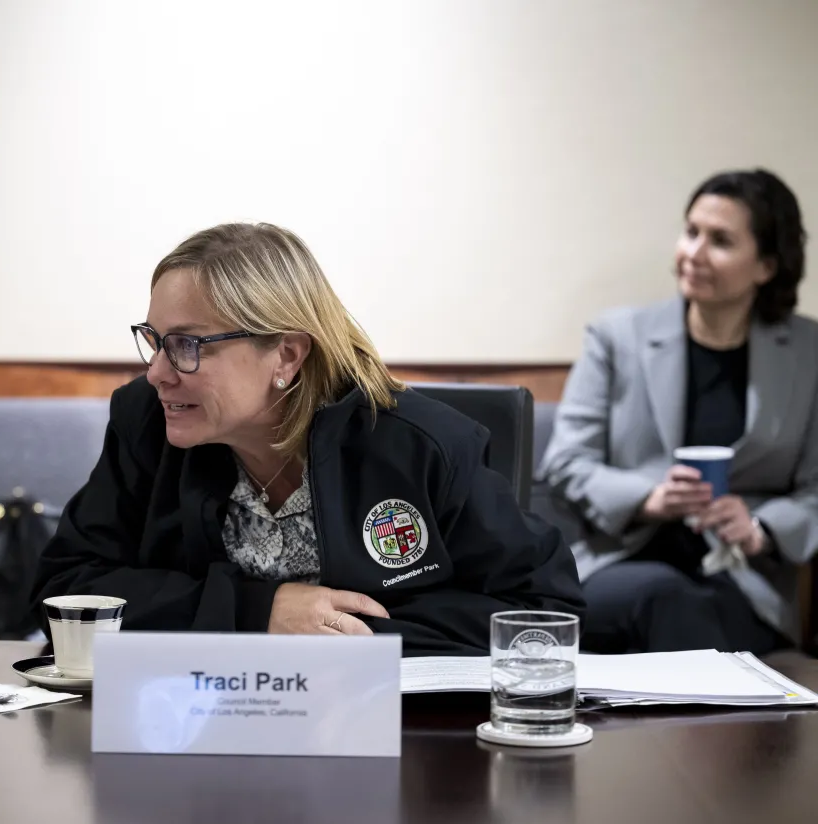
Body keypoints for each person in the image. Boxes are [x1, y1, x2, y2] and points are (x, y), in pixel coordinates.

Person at [32, 223, 582, 655]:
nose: (157, 372)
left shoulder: (419, 444)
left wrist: (339, 635)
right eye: (153, 341)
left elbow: (543, 610)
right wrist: (258, 612)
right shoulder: (146, 421)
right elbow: (65, 592)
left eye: (187, 345)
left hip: (398, 749)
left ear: (287, 355)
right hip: (191, 727)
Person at [540, 168, 817, 654]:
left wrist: (761, 529)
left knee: (697, 612)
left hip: (741, 579)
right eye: (691, 232)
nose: (692, 253)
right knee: (666, 600)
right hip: (618, 563)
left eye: (721, 241)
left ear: (767, 266)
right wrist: (651, 498)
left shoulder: (808, 351)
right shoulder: (616, 337)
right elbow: (565, 463)